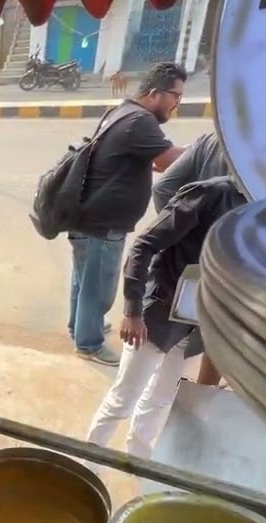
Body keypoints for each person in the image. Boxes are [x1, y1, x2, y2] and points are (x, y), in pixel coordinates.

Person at [85, 175, 248, 457]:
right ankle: (88, 464)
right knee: (124, 399)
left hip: (196, 325)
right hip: (158, 317)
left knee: (160, 399)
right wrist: (133, 311)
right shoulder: (212, 195)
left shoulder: (263, 211)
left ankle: (138, 459)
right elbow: (143, 245)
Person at [69, 62, 188, 366]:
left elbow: (158, 165)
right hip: (102, 224)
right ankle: (89, 343)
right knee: (99, 289)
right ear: (154, 93)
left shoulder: (120, 111)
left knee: (84, 281)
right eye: (176, 96)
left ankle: (80, 326)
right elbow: (169, 160)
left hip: (87, 216)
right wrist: (204, 149)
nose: (177, 103)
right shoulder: (140, 121)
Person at [151, 130, 229, 386]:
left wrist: (184, 230)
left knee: (184, 330)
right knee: (218, 333)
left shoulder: (211, 140)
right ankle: (200, 394)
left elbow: (163, 188)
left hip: (197, 259)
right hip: (235, 265)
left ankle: (166, 388)